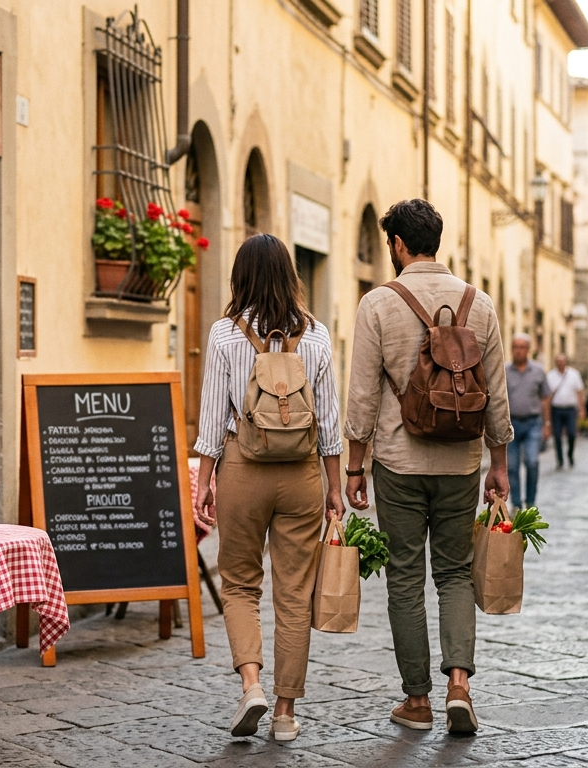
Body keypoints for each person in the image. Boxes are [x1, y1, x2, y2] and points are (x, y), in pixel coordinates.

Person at [343, 199, 512, 735]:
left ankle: (417, 701)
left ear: (397, 244)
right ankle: (458, 685)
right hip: (462, 460)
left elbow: (362, 394)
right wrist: (498, 462)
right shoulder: (478, 304)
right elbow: (497, 395)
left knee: (406, 579)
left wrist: (354, 465)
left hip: (398, 459)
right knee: (456, 572)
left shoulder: (377, 304)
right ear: (437, 240)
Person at [193, 233, 344, 742]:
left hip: (242, 467)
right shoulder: (318, 335)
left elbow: (213, 416)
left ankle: (251, 684)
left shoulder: (224, 334)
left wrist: (202, 481)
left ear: (241, 276)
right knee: (295, 593)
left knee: (238, 582)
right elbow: (330, 419)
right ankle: (284, 713)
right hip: (301, 473)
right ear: (290, 275)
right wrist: (335, 487)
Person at [505, 335, 551, 508]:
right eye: (516, 346)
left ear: (528, 350)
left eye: (522, 347)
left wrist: (547, 424)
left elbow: (545, 398)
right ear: (511, 349)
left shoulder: (538, 371)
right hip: (511, 424)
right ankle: (516, 503)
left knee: (532, 462)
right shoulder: (505, 371)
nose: (519, 350)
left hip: (533, 422)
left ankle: (530, 501)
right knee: (512, 466)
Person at [547, 354, 585, 469]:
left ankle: (570, 454)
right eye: (558, 361)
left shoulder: (574, 374)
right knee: (557, 435)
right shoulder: (550, 376)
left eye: (562, 361)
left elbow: (579, 392)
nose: (560, 363)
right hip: (556, 409)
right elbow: (547, 396)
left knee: (572, 434)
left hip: (570, 409)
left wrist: (582, 409)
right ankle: (560, 460)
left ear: (566, 362)